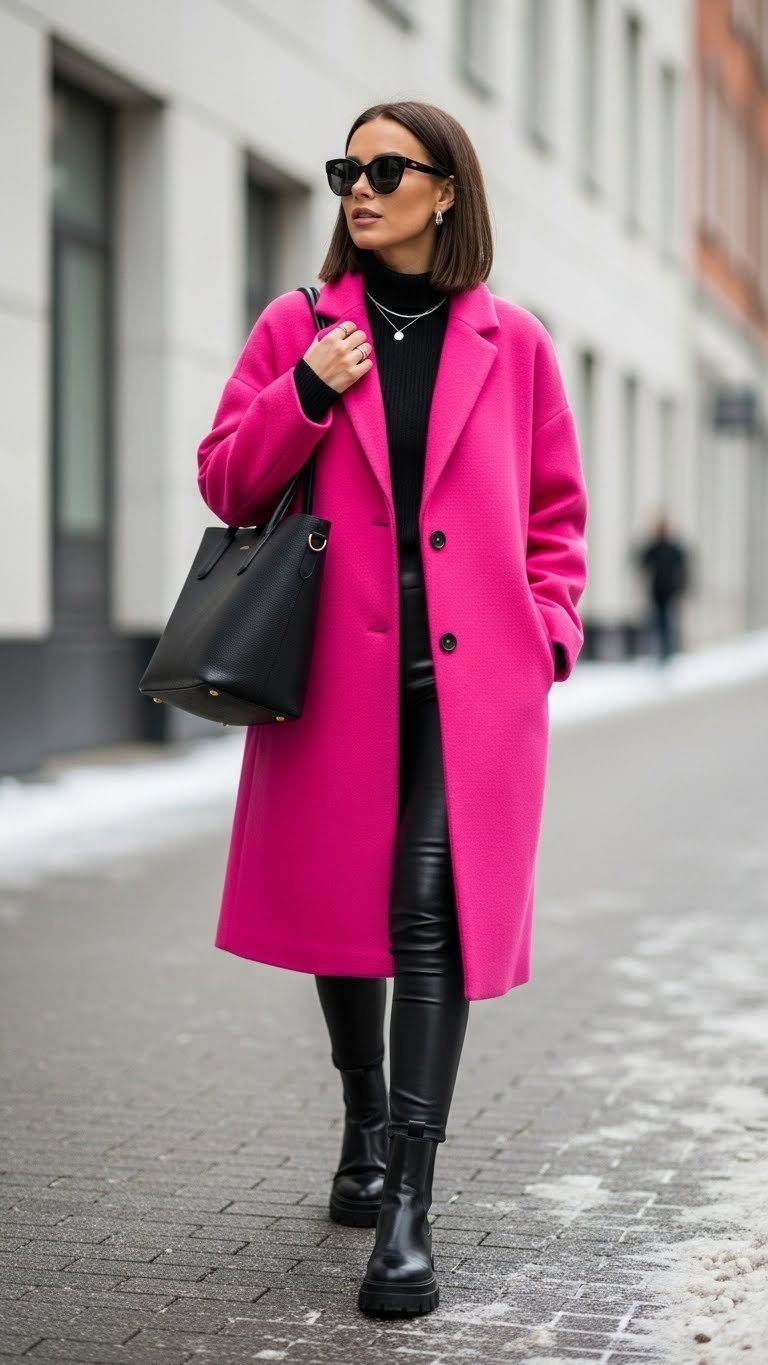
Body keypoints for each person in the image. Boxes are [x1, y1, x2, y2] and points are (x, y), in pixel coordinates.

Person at [196, 100, 588, 1318]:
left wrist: (550, 631)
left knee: (430, 913)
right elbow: (224, 475)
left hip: (470, 684)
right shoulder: (300, 326)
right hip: (334, 677)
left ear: (444, 194)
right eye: (345, 170)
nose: (358, 189)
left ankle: (408, 1204)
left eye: (385, 169)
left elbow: (555, 518)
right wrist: (305, 393)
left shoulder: (511, 342)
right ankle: (364, 1120)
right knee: (349, 910)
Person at [636, 512, 690, 664]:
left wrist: (681, 587)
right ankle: (659, 653)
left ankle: (667, 653)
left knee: (667, 622)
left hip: (669, 591)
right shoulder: (654, 547)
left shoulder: (673, 548)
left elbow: (682, 568)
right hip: (656, 591)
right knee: (657, 622)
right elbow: (643, 562)